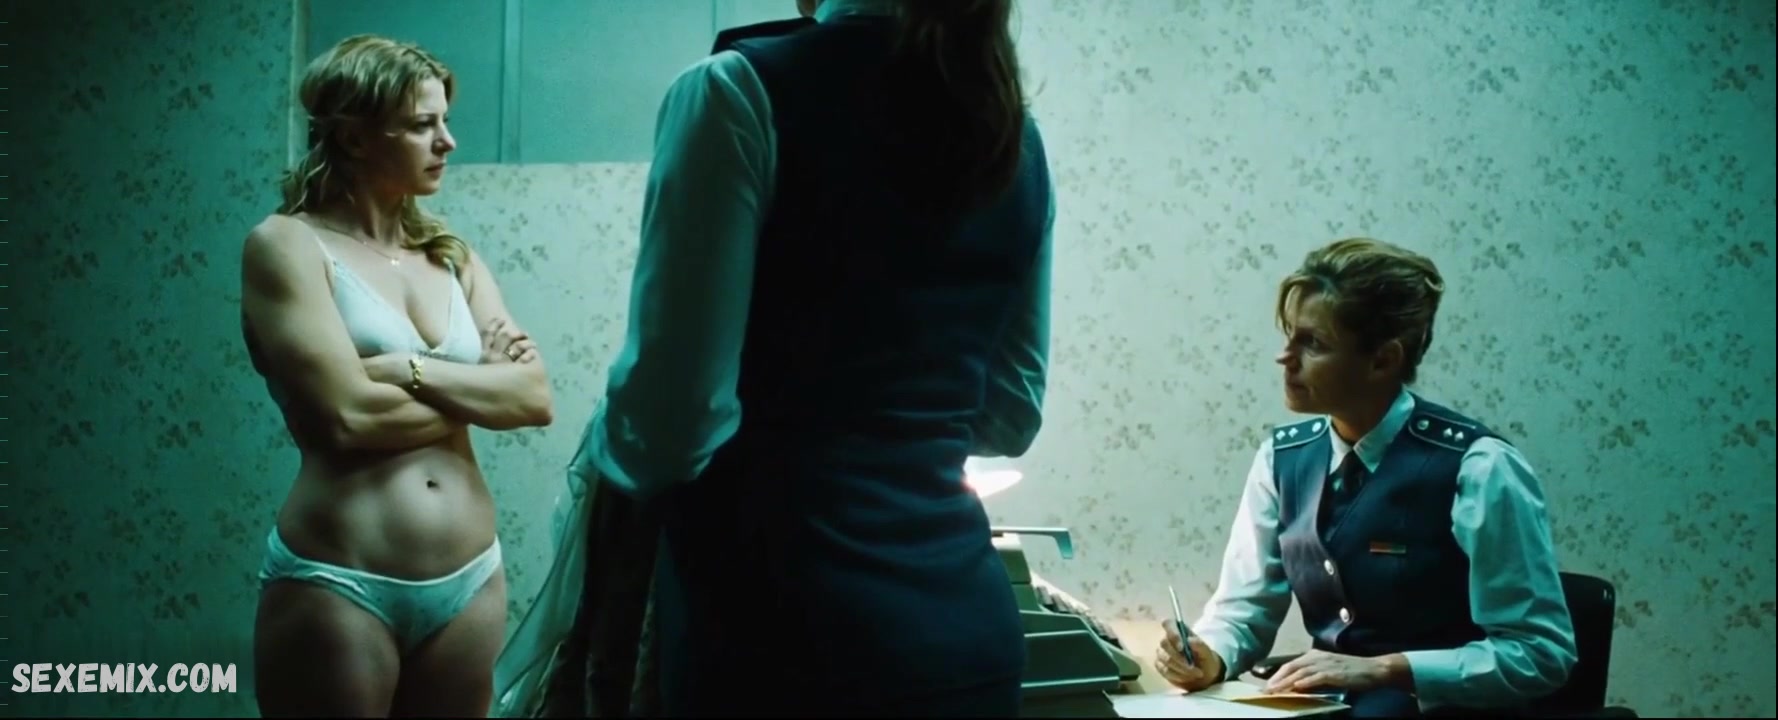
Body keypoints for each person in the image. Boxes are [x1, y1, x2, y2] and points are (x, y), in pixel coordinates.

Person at [561, 0, 1053, 715]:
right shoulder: (1014, 131)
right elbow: (1009, 416)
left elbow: (670, 427)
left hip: (778, 644)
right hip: (967, 642)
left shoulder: (736, 89)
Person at [239, 34, 554, 717]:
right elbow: (349, 418)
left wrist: (405, 370)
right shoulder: (287, 245)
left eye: (445, 121)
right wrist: (479, 394)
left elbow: (534, 398)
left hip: (472, 580)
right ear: (354, 138)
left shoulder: (451, 257)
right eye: (421, 125)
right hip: (341, 579)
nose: (448, 142)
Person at [1153, 237, 1578, 717]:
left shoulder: (1480, 467)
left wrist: (1387, 670)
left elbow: (1541, 654)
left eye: (1313, 343)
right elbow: (1243, 610)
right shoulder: (1280, 457)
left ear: (1383, 360)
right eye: (1289, 335)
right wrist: (1209, 657)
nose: (1285, 357)